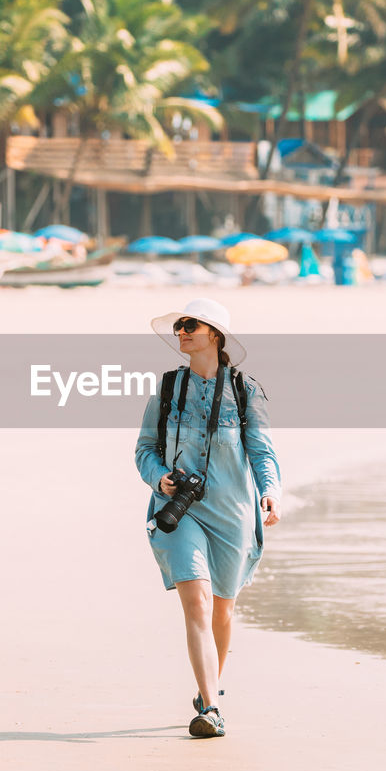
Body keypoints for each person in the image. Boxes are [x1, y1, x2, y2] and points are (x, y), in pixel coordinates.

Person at [134, 298, 281, 739]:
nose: (181, 332)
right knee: (195, 599)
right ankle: (211, 707)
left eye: (190, 325)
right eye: (178, 326)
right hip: (179, 512)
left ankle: (207, 688)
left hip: (234, 512)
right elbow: (144, 450)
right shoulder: (166, 389)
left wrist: (271, 492)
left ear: (214, 335)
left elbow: (262, 450)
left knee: (223, 608)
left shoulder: (245, 390)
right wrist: (160, 479)